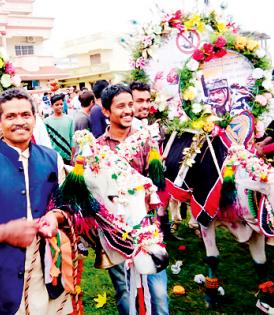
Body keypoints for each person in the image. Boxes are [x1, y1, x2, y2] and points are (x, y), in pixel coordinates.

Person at [0, 88, 72, 315]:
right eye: (11, 116)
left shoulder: (52, 159)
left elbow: (64, 205)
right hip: (5, 287)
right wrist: (3, 232)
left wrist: (54, 217)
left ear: (35, 118)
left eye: (26, 115)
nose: (20, 122)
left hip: (52, 279)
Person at [97, 84, 169, 315]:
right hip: (114, 233)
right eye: (121, 106)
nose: (128, 110)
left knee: (158, 294)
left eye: (131, 104)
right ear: (106, 111)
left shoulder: (146, 141)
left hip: (147, 228)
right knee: (125, 292)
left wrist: (152, 201)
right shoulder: (96, 148)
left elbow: (158, 185)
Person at [44, 93, 74, 164]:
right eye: (57, 105)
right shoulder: (46, 121)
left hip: (67, 155)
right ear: (52, 106)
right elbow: (45, 140)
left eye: (61, 104)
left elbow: (72, 138)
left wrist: (72, 157)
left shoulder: (70, 119)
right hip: (53, 156)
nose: (60, 106)